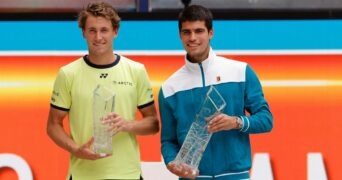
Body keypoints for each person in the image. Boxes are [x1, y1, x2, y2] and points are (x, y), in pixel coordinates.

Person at [158, 4, 273, 180]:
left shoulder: (240, 72)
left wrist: (236, 122)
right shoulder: (169, 88)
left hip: (235, 175)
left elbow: (266, 120)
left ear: (211, 33)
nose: (193, 37)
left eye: (199, 31)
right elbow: (168, 141)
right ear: (180, 35)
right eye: (186, 32)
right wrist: (172, 163)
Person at [46, 2, 159, 180]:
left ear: (115, 31)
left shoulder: (136, 70)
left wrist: (127, 125)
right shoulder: (68, 74)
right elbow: (53, 125)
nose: (98, 37)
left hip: (127, 174)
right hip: (82, 175)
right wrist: (76, 149)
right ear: (83, 32)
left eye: (104, 30)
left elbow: (153, 123)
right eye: (92, 30)